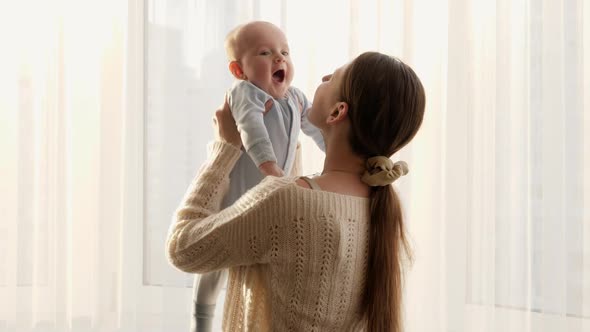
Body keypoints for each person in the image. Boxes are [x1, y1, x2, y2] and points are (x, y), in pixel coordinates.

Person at [167, 51, 426, 331]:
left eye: (333, 78)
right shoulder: (381, 205)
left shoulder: (287, 200)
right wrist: (284, 136)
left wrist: (223, 149)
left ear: (338, 111)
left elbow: (183, 248)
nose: (324, 77)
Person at [191, 21, 324, 332]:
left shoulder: (295, 98)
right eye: (265, 53)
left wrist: (333, 151)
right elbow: (252, 132)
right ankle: (201, 319)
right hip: (232, 200)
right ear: (239, 71)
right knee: (213, 267)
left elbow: (315, 128)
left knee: (258, 270)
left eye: (284, 52)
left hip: (268, 201)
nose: (279, 59)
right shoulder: (244, 93)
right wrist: (271, 170)